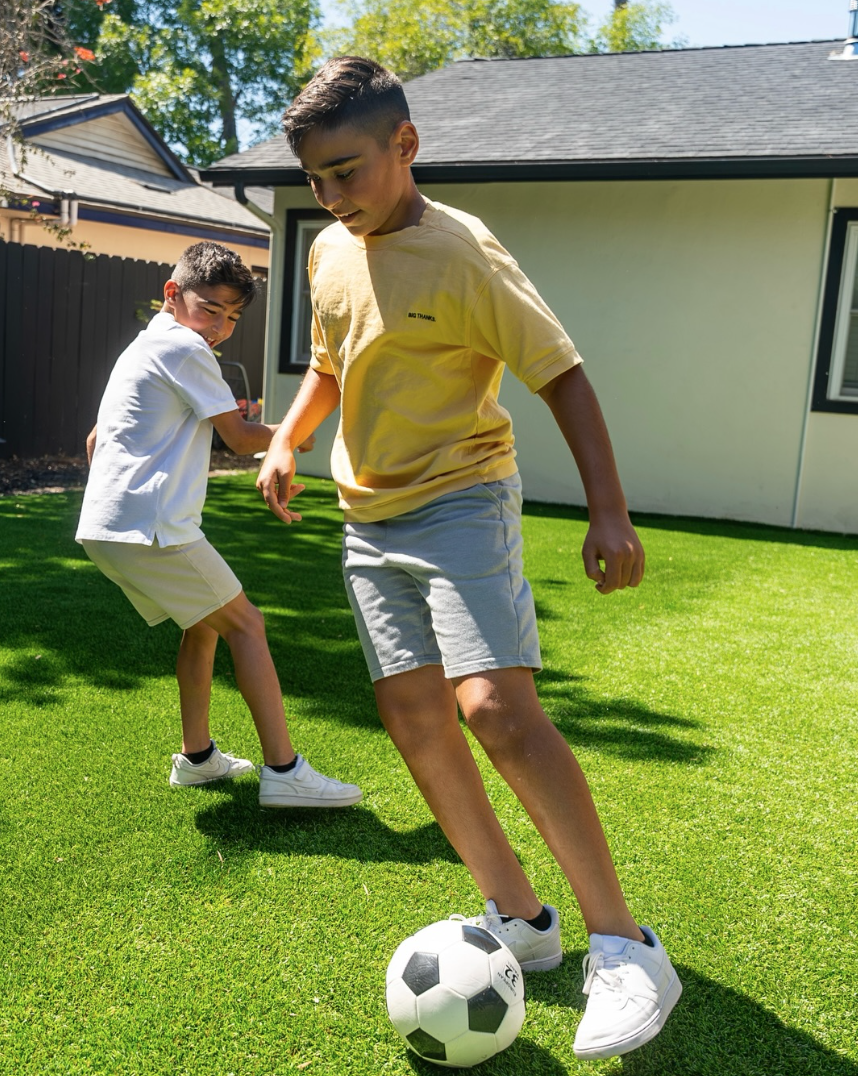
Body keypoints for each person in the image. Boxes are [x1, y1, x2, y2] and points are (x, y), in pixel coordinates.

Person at [255, 58, 679, 1059]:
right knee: (412, 717)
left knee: (494, 707)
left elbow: (561, 375)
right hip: (369, 517)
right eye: (315, 179)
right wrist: (287, 437)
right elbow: (331, 363)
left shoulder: (467, 254)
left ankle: (626, 944)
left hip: (461, 498)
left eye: (348, 170)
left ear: (407, 145)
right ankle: (521, 917)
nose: (332, 195)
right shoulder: (327, 252)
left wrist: (609, 512)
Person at [77, 240, 362, 810]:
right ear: (172, 294)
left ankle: (198, 758)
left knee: (203, 624)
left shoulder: (142, 348)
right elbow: (237, 438)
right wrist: (293, 437)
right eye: (210, 309)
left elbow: (93, 443)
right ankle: (284, 771)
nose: (219, 327)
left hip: (110, 527)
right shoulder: (184, 347)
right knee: (247, 626)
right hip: (151, 528)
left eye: (232, 317)